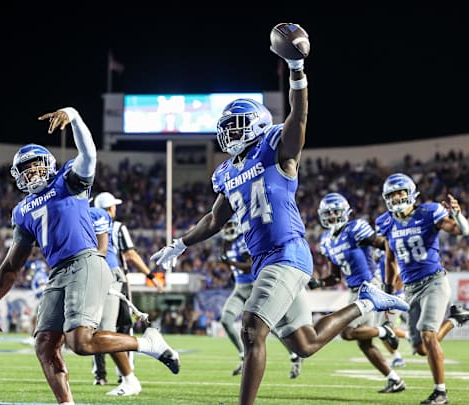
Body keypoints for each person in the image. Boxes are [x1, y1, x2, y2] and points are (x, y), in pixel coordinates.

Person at [150, 29, 408, 405]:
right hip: (265, 261)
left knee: (252, 329)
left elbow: (299, 113)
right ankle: (368, 302)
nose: (227, 133)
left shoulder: (275, 148)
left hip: (288, 253)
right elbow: (214, 218)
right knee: (305, 344)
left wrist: (296, 68)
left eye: (234, 126)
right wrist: (180, 244)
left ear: (255, 124)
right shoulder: (226, 171)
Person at [0, 107, 179, 405]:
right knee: (45, 344)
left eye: (37, 166)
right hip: (58, 273)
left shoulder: (68, 181)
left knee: (80, 341)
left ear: (48, 165)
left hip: (85, 261)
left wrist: (74, 116)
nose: (33, 172)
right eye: (27, 169)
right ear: (18, 176)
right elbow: (12, 264)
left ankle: (147, 343)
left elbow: (88, 154)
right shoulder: (22, 211)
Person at [377, 173, 469, 405]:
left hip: (434, 281)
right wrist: (387, 291)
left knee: (427, 333)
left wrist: (458, 214)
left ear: (411, 193)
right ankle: (456, 319)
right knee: (421, 348)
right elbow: (390, 259)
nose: (396, 198)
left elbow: (460, 230)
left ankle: (440, 393)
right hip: (409, 288)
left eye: (400, 193)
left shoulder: (428, 212)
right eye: (392, 194)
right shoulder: (386, 222)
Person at [307, 192, 405, 394]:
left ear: (345, 212)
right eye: (328, 213)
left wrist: (388, 276)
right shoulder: (326, 241)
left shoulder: (355, 228)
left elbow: (384, 245)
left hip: (370, 286)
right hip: (354, 290)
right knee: (363, 342)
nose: (332, 216)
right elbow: (335, 277)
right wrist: (318, 282)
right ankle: (394, 379)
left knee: (348, 333)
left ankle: (387, 331)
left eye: (336, 212)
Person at [89, 191, 164, 396]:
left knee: (95, 326)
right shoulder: (118, 227)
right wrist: (150, 275)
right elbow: (130, 254)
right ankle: (125, 374)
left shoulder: (86, 222)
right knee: (120, 327)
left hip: (93, 276)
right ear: (110, 209)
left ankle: (100, 375)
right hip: (115, 279)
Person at [218, 216, 304, 379]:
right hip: (239, 288)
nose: (228, 229)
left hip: (254, 287)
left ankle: (294, 354)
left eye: (230, 225)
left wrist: (230, 263)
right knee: (226, 319)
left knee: (273, 326)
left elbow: (250, 266)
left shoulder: (245, 240)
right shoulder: (226, 244)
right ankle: (244, 356)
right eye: (225, 226)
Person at [373, 247, 408, 368]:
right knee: (381, 331)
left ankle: (412, 338)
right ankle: (397, 357)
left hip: (392, 297)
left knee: (384, 329)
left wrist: (391, 297)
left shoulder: (391, 255)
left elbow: (399, 277)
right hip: (385, 297)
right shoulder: (382, 256)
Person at [21, 255, 49, 346]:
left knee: (35, 318)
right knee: (36, 318)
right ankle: (35, 337)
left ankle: (34, 337)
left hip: (42, 299)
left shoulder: (39, 275)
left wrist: (33, 293)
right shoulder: (42, 274)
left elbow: (43, 287)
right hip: (43, 299)